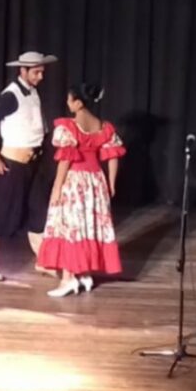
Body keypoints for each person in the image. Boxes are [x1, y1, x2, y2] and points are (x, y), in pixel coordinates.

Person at [38, 83, 126, 297]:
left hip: (75, 181)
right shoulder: (103, 126)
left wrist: (57, 188)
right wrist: (111, 183)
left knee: (71, 228)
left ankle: (68, 278)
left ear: (77, 102)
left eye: (69, 99)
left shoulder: (69, 126)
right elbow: (112, 156)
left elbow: (65, 161)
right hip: (96, 180)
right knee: (88, 226)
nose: (68, 103)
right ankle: (85, 273)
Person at [0, 51, 58, 281]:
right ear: (22, 71)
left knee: (38, 211)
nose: (41, 76)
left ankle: (44, 261)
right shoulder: (11, 95)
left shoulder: (33, 92)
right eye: (36, 72)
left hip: (34, 163)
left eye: (42, 71)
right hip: (13, 163)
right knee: (0, 214)